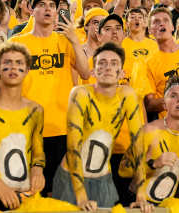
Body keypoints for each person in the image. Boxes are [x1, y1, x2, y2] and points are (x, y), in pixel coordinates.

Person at [9, 0, 91, 195]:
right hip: (29, 127)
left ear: (57, 13)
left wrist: (74, 39)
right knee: (30, 192)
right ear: (31, 10)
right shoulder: (17, 43)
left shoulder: (65, 41)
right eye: (42, 5)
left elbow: (86, 72)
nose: (48, 9)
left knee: (61, 192)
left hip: (62, 126)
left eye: (52, 7)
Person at [53, 42, 144, 210]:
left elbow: (138, 143)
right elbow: (73, 146)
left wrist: (141, 193)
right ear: (93, 72)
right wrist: (80, 197)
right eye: (102, 63)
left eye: (114, 63)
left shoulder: (127, 95)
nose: (108, 67)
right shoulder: (80, 93)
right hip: (71, 178)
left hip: (103, 178)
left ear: (122, 72)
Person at [0, 42, 45, 210]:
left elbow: (38, 153)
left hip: (25, 193)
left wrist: (38, 171)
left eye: (19, 63)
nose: (13, 67)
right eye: (7, 62)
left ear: (27, 71)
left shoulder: (35, 110)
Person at [126, 76, 179, 210]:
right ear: (164, 105)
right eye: (173, 96)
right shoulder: (149, 131)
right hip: (136, 203)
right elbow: (124, 170)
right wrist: (153, 164)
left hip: (164, 206)